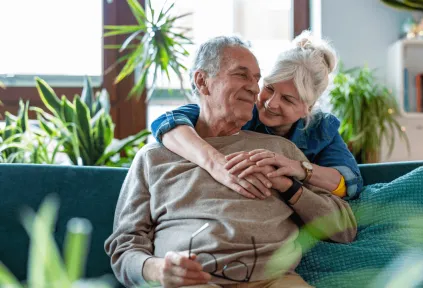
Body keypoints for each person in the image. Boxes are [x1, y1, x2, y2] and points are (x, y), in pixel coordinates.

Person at [105, 35, 357, 288]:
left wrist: (291, 187)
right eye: (242, 75)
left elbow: (345, 225)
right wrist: (157, 269)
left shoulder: (281, 151)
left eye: (257, 79)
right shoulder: (154, 157)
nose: (256, 89)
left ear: (306, 109)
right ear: (202, 82)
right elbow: (124, 247)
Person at [150, 30, 363, 202]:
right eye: (269, 89)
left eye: (288, 99)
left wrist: (298, 168)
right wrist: (215, 163)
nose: (271, 103)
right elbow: (168, 122)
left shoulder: (321, 129)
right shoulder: (244, 109)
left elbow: (350, 183)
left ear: (308, 107)